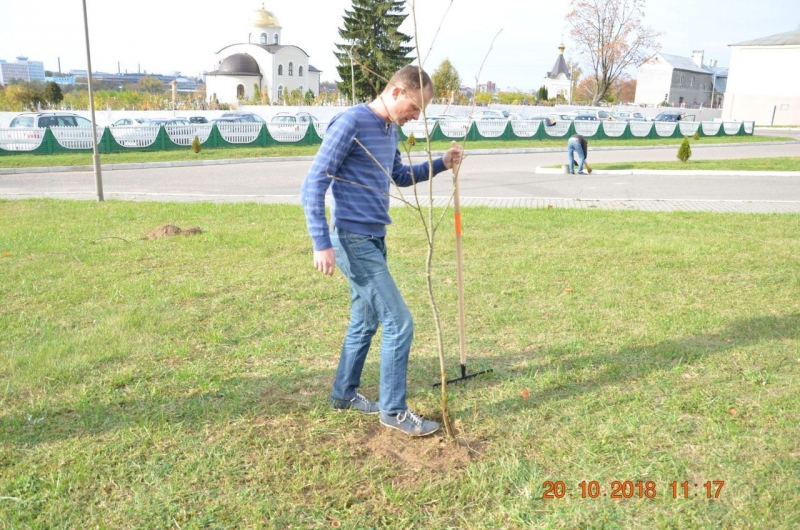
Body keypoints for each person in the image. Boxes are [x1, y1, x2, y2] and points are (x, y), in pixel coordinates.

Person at [300, 65, 463, 437]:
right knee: (399, 322)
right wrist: (321, 241)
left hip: (374, 239)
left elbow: (400, 177)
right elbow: (312, 185)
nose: (416, 117)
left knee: (366, 320)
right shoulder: (351, 123)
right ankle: (394, 411)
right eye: (415, 107)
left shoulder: (388, 129)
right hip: (352, 240)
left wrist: (441, 163)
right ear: (395, 92)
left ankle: (343, 394)